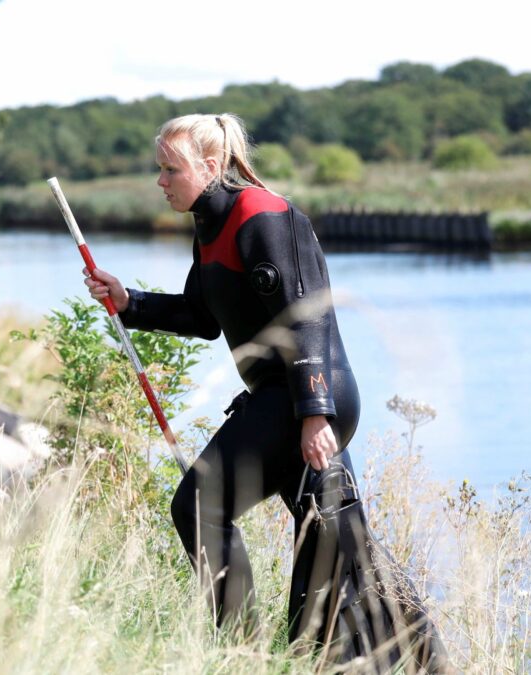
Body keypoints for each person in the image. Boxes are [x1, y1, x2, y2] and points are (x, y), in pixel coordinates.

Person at [84, 114, 445, 670]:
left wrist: (315, 413)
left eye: (169, 169)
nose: (160, 180)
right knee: (339, 538)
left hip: (304, 399)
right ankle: (426, 660)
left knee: (198, 507)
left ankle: (241, 653)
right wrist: (129, 301)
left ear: (210, 166)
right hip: (289, 402)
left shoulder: (264, 215)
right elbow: (202, 316)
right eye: (160, 168)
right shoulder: (209, 226)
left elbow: (309, 318)